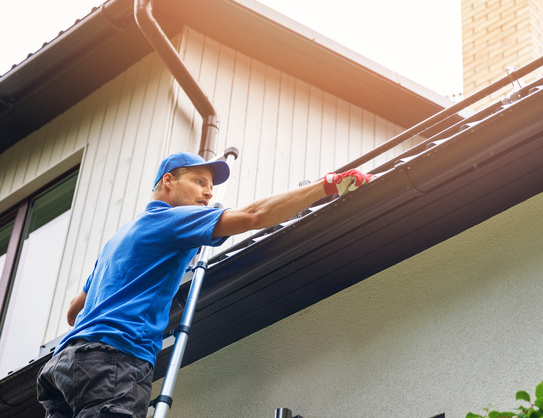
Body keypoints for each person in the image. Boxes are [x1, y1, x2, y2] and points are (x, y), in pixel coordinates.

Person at [37, 151, 371, 418]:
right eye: (199, 181)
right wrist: (327, 185)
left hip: (65, 366)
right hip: (114, 360)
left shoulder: (118, 239)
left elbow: (72, 311)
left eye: (211, 187)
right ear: (168, 181)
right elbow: (255, 215)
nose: (208, 192)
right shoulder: (172, 220)